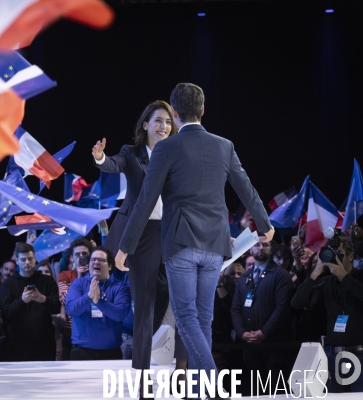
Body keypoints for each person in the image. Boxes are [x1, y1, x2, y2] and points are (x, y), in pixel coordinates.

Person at [116, 83, 274, 399]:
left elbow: (145, 201)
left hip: (181, 244)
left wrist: (125, 247)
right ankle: (202, 391)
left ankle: (211, 386)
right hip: (215, 244)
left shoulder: (166, 148)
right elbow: (246, 188)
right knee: (202, 319)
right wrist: (265, 224)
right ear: (202, 110)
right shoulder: (224, 146)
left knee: (187, 318)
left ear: (174, 113)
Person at [92, 100, 174, 375]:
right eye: (158, 121)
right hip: (141, 236)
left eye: (168, 122)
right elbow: (112, 164)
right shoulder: (132, 152)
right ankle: (141, 375)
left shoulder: (175, 154)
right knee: (144, 307)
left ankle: (153, 347)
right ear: (146, 125)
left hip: (170, 233)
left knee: (167, 295)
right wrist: (100, 157)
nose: (163, 126)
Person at [291, 239, 363, 392]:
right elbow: (296, 302)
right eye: (331, 254)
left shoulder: (360, 276)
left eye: (339, 254)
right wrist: (315, 273)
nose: (334, 259)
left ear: (350, 256)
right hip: (333, 356)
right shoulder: (326, 282)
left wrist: (343, 277)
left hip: (359, 355)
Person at [230, 237, 294, 395]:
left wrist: (264, 332)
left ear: (271, 249)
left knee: (277, 394)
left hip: (275, 346)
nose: (261, 248)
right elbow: (235, 309)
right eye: (257, 245)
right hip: (250, 347)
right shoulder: (244, 278)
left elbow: (282, 308)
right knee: (254, 393)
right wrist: (241, 332)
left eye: (265, 245)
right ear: (250, 249)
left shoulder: (281, 275)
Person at [65, 247, 131, 360]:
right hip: (81, 351)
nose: (96, 262)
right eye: (93, 259)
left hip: (111, 352)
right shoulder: (78, 284)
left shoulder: (120, 286)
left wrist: (99, 302)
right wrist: (89, 296)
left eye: (101, 260)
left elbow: (120, 314)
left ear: (110, 266)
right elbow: (71, 310)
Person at [0, 243, 60, 361]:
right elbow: (6, 313)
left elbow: (57, 307)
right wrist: (22, 301)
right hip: (18, 343)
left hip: (45, 341)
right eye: (23, 259)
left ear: (35, 259)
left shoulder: (48, 281)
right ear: (17, 261)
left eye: (30, 259)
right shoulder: (8, 284)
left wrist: (43, 299)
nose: (27, 262)